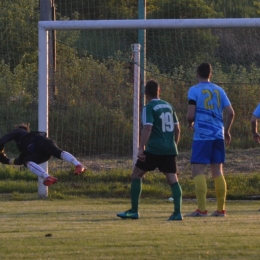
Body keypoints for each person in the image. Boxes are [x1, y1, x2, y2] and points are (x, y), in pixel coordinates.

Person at [116, 79, 183, 221]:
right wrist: (174, 145)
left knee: (136, 175)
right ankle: (177, 213)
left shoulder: (148, 107)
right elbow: (177, 129)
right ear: (159, 91)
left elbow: (148, 127)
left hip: (154, 149)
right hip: (169, 149)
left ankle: (134, 211)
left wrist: (141, 148)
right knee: (173, 180)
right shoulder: (169, 106)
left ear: (145, 93)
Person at [186, 62, 235, 217]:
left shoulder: (194, 90)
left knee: (197, 170)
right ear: (210, 75)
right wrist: (226, 131)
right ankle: (221, 210)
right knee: (217, 171)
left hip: (202, 136)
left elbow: (190, 115)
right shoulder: (219, 90)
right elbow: (231, 113)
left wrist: (190, 123)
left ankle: (201, 209)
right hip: (218, 135)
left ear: (197, 74)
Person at [0, 123, 86, 186]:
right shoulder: (25, 146)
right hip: (43, 148)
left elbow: (2, 141)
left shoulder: (19, 131)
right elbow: (19, 161)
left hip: (40, 143)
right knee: (57, 152)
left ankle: (47, 176)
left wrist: (1, 152)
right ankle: (77, 165)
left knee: (28, 161)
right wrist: (5, 160)